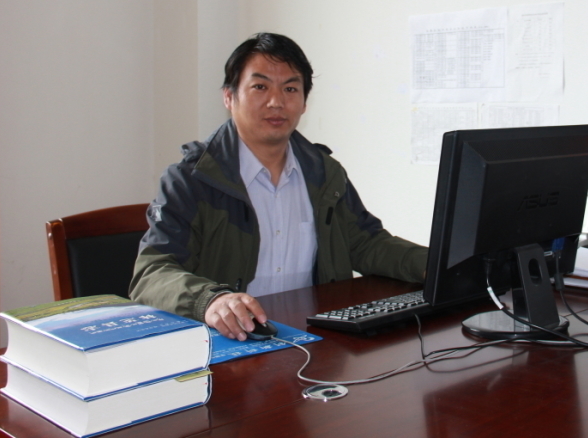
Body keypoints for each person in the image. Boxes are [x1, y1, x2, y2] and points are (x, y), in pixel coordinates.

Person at [129, 33, 427, 341]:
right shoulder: (192, 179)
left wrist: (437, 264)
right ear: (229, 97)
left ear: (304, 103)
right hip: (229, 343)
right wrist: (211, 300)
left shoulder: (325, 174)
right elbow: (152, 273)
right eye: (260, 87)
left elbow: (366, 244)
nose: (276, 102)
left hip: (314, 340)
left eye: (290, 89)